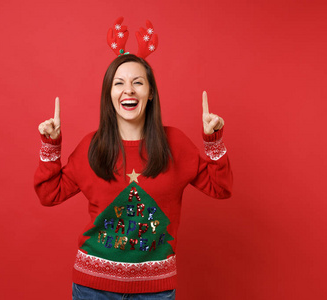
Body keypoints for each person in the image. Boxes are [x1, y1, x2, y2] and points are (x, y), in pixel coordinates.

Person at [34, 54, 233, 299]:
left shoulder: (175, 144)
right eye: (119, 83)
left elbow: (220, 188)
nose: (128, 90)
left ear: (150, 92)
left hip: (155, 290)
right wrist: (51, 146)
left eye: (138, 82)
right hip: (93, 289)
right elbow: (48, 193)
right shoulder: (92, 147)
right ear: (109, 94)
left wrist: (213, 140)